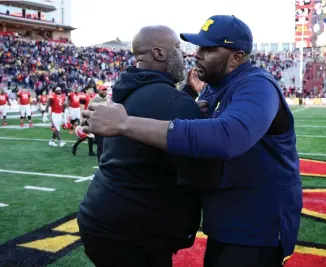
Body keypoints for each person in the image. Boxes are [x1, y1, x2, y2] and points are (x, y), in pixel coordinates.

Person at [83, 15, 302, 267]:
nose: (196, 54)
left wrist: (125, 123)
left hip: (256, 225)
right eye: (198, 47)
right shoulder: (213, 85)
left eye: (209, 49)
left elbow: (228, 137)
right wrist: (187, 97)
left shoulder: (256, 85)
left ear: (236, 57)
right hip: (226, 220)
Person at [78, 25, 221, 267]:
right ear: (159, 53)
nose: (184, 54)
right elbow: (200, 174)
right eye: (177, 47)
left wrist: (185, 96)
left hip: (100, 215)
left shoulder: (122, 91)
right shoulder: (175, 103)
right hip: (136, 231)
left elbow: (151, 109)